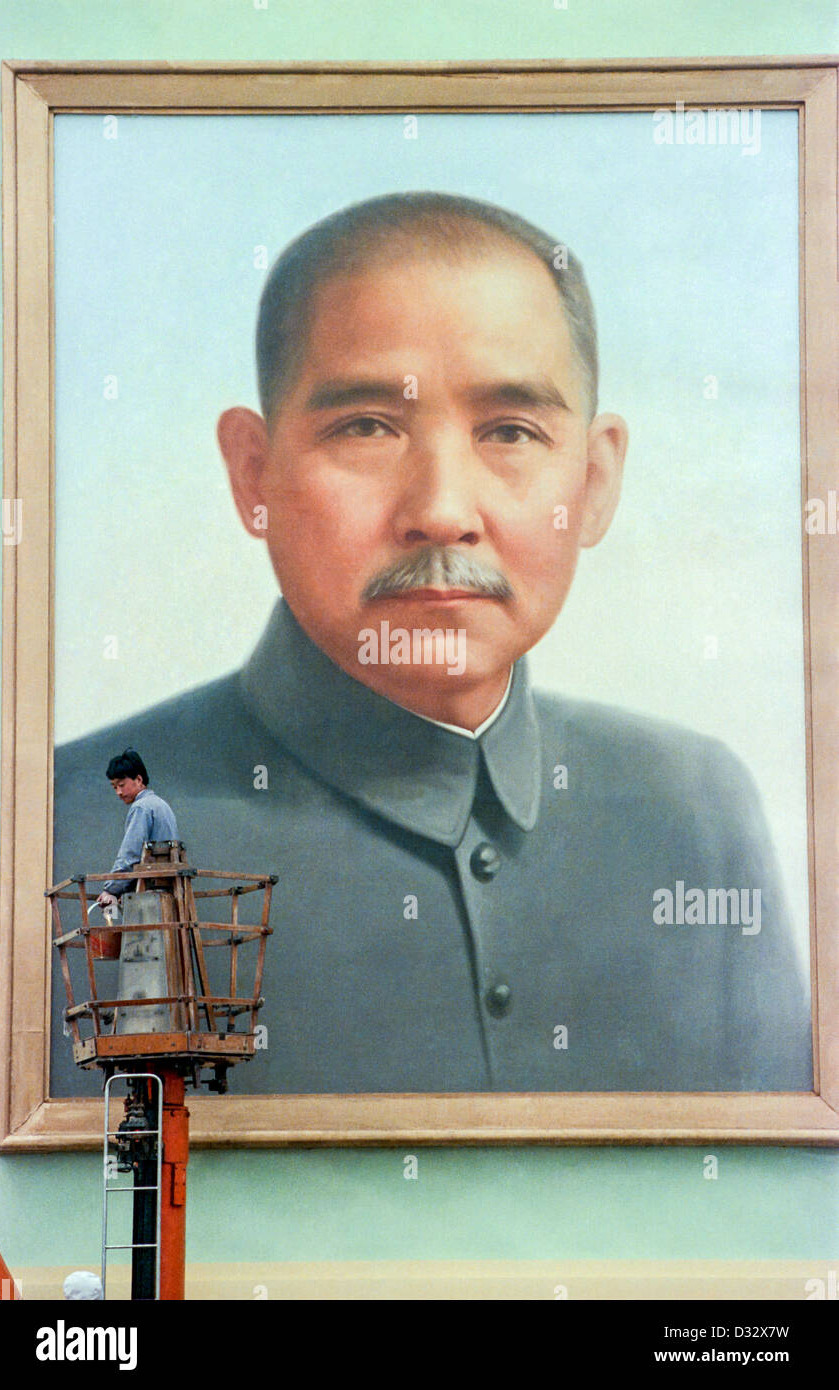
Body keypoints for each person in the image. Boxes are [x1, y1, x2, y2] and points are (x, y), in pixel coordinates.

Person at [54, 192, 812, 1096]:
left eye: (509, 431)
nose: (442, 511)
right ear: (252, 473)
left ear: (596, 477)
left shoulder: (692, 804)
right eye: (366, 427)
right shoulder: (61, 821)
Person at [95, 749, 179, 908]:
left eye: (121, 785)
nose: (119, 792)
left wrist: (111, 889)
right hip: (169, 890)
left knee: (113, 918)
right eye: (114, 787)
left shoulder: (141, 807)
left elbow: (130, 854)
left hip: (150, 892)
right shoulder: (161, 805)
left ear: (139, 779)